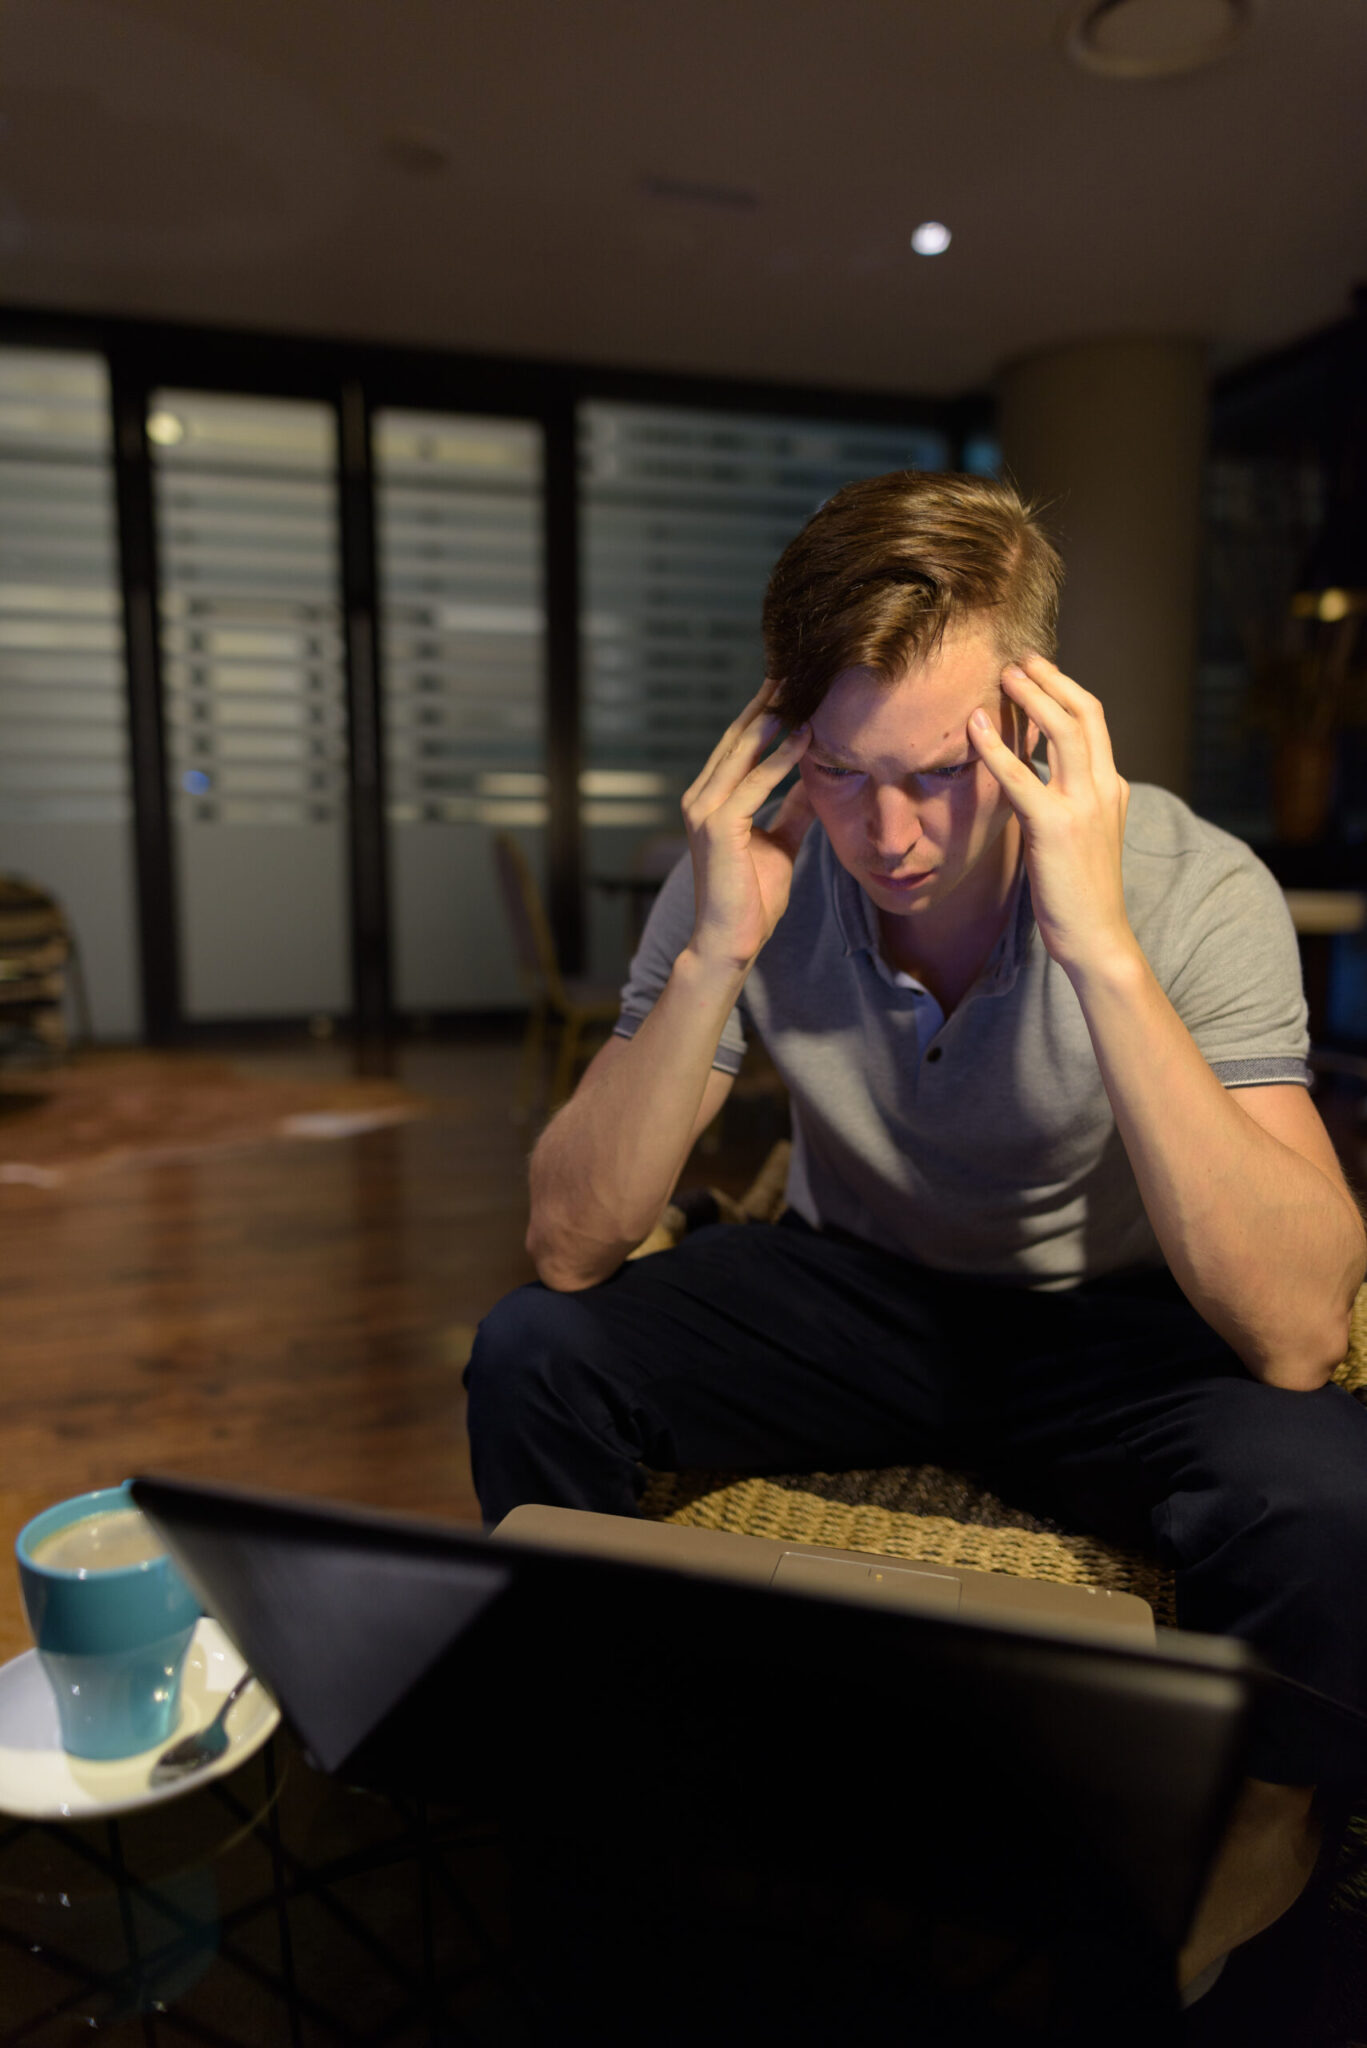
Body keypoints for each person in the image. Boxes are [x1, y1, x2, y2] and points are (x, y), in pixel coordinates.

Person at [465, 470, 1367, 1996]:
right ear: (781, 739)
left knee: (1325, 1485)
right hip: (856, 1291)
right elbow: (569, 1243)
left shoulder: (1195, 886)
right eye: (840, 770)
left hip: (1112, 1323)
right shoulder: (754, 863)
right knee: (532, 1352)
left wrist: (1099, 946)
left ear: (1034, 719)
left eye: (941, 773)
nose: (888, 836)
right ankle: (612, 1747)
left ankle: (1271, 1813)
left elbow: (1294, 1327)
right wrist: (718, 947)